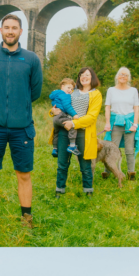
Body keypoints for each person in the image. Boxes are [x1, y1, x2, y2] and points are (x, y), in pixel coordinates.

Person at [0, 14, 43, 231]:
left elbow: (35, 91)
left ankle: (26, 218)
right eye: (6, 27)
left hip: (22, 128)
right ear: (1, 31)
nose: (10, 31)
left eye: (14, 28)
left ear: (21, 32)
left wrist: (16, 105)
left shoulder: (31, 59)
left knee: (24, 174)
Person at [51, 66, 103, 197]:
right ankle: (59, 190)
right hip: (64, 130)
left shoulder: (96, 94)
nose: (84, 77)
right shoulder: (72, 91)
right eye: (81, 75)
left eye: (87, 74)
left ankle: (88, 191)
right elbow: (59, 104)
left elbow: (92, 117)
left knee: (85, 165)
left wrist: (74, 123)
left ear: (92, 77)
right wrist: (52, 111)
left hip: (83, 133)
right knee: (62, 163)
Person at [104, 67, 139, 181]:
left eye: (125, 75)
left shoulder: (133, 90)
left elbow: (136, 108)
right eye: (121, 74)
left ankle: (131, 173)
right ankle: (108, 171)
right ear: (117, 76)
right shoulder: (111, 90)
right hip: (115, 122)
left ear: (128, 77)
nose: (123, 76)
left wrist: (135, 124)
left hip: (129, 122)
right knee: (112, 148)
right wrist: (107, 123)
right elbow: (107, 107)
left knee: (129, 149)